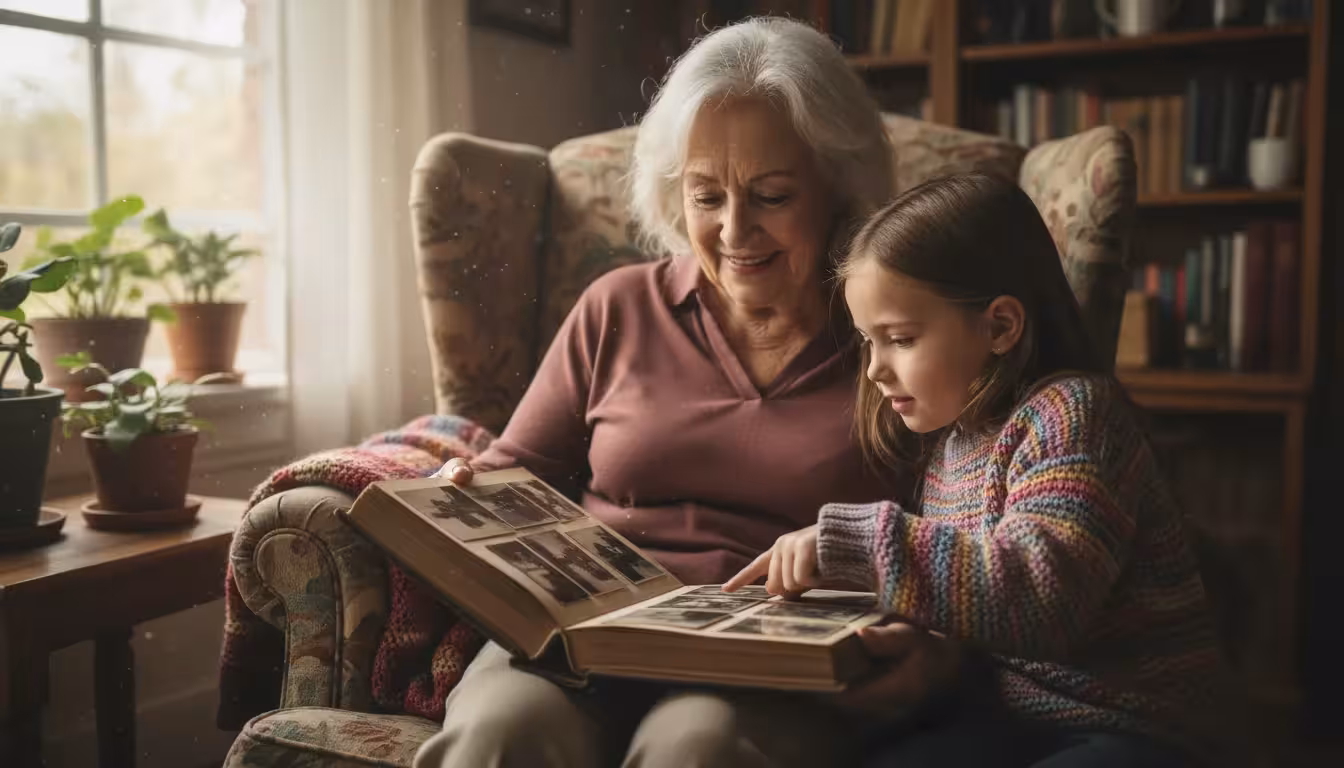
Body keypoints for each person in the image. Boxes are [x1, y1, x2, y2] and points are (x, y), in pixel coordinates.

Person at [414, 17, 960, 768]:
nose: (735, 230)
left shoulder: (893, 334)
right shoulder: (618, 307)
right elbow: (519, 472)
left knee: (695, 750)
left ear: (838, 188)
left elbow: (969, 528)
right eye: (708, 197)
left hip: (773, 660)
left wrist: (935, 647)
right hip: (588, 640)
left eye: (771, 196)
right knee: (499, 735)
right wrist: (468, 493)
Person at [724, 173, 1231, 767]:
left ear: (999, 327)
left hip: (1127, 725)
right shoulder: (953, 445)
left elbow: (1041, 599)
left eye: (900, 339)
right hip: (1001, 716)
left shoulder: (1073, 415)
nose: (874, 371)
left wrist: (856, 544)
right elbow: (974, 612)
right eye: (868, 342)